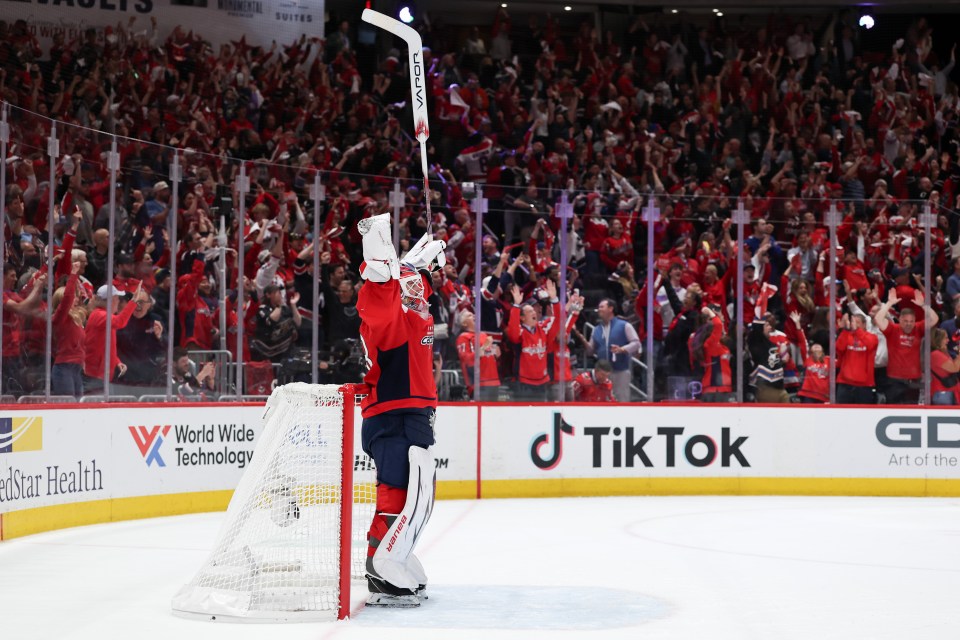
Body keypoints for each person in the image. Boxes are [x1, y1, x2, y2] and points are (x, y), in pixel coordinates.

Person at [355, 213, 446, 608]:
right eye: (408, 284)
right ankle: (381, 562)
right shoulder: (389, 317)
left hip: (413, 413)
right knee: (398, 491)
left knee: (419, 493)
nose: (419, 291)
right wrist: (380, 251)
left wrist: (423, 264)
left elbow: (415, 283)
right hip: (393, 413)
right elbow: (381, 288)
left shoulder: (416, 309)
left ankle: (398, 551)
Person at [873, 288, 938, 404]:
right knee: (893, 411)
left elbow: (934, 319)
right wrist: (889, 303)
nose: (909, 324)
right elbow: (878, 319)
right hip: (894, 380)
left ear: (914, 321)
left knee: (911, 413)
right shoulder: (892, 329)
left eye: (911, 321)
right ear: (900, 320)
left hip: (913, 380)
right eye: (905, 321)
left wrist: (923, 305)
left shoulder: (918, 328)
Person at [505, 280, 560, 401]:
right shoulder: (520, 332)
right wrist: (516, 306)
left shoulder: (543, 329)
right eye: (530, 311)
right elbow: (513, 331)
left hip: (542, 382)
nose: (534, 312)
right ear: (522, 318)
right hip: (524, 383)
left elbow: (557, 321)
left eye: (534, 310)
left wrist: (555, 300)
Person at [83, 282, 141, 393]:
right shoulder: (100, 315)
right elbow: (121, 322)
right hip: (95, 377)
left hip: (101, 376)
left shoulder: (104, 317)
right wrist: (133, 301)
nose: (119, 302)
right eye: (117, 299)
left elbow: (106, 346)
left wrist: (116, 361)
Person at [587, 298, 641, 402]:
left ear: (611, 309)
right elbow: (590, 351)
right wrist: (582, 339)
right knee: (602, 400)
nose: (599, 309)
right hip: (602, 374)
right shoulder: (596, 329)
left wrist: (622, 349)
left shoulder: (625, 325)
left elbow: (636, 343)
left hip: (620, 371)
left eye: (602, 307)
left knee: (621, 400)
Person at [50, 262, 87, 397]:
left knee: (78, 406)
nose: (76, 299)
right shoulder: (59, 318)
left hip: (76, 368)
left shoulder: (76, 319)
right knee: (69, 405)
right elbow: (67, 298)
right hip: (64, 367)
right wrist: (73, 274)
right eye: (74, 296)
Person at [455, 310, 500, 400]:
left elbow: (490, 356)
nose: (474, 316)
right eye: (469, 315)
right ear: (464, 323)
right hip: (478, 383)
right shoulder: (463, 337)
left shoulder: (483, 335)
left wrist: (496, 353)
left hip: (494, 381)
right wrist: (484, 347)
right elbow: (466, 360)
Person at [836, 313, 880, 404]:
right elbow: (839, 349)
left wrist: (857, 331)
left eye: (857, 322)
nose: (854, 324)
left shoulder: (872, 337)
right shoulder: (846, 335)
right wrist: (845, 330)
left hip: (864, 385)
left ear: (864, 324)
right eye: (853, 322)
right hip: (845, 383)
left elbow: (870, 345)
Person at [930, 328, 960, 404]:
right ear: (938, 340)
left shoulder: (942, 352)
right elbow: (955, 368)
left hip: (949, 391)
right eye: (945, 338)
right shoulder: (936, 354)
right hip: (943, 393)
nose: (948, 340)